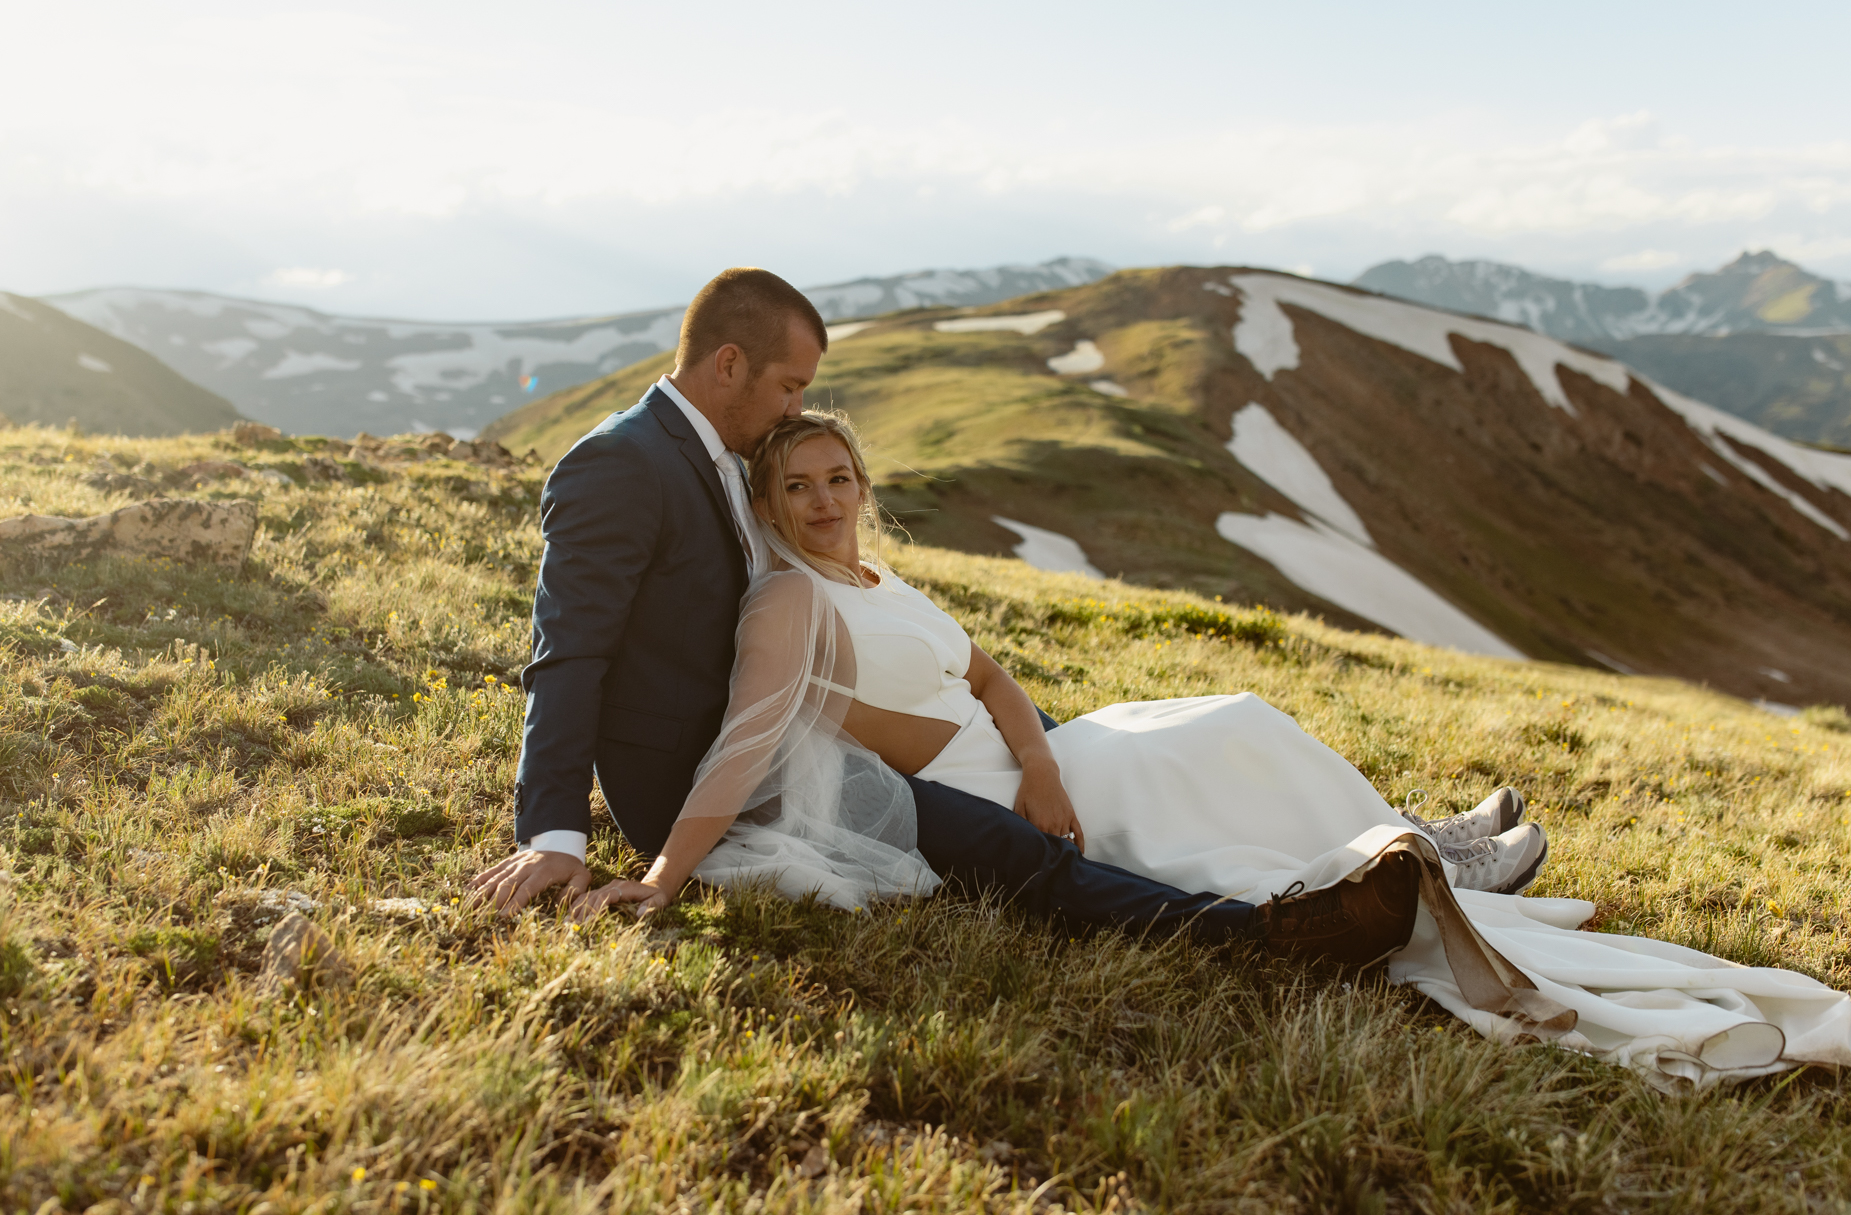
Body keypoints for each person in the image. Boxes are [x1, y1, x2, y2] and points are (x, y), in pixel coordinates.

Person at [545, 401, 1851, 1090]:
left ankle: (1432, 846)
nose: (828, 500)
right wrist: (663, 874)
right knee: (1223, 736)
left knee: (1227, 717)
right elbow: (753, 742)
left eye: (841, 479)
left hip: (1037, 758)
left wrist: (1042, 761)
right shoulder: (786, 603)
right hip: (965, 789)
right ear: (773, 505)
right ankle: (1425, 867)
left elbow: (994, 676)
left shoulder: (882, 578)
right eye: (801, 487)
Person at [471, 266, 1431, 969]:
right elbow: (569, 655)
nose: (795, 409)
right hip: (725, 766)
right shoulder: (618, 464)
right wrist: (555, 836)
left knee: (1111, 748)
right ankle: (1258, 934)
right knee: (1015, 849)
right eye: (788, 388)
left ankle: (1385, 845)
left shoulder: (735, 459)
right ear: (730, 364)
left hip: (822, 723)